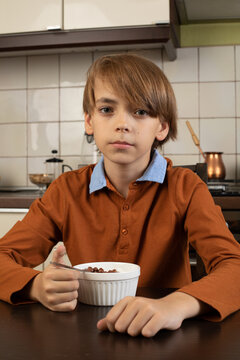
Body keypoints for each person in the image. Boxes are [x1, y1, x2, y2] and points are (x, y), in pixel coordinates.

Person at [0, 54, 240, 338]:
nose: (122, 123)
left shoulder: (187, 188)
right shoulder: (65, 191)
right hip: (85, 336)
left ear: (162, 127)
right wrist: (36, 286)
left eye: (140, 111)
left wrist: (177, 304)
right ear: (89, 121)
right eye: (106, 109)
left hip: (166, 338)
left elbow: (234, 266)